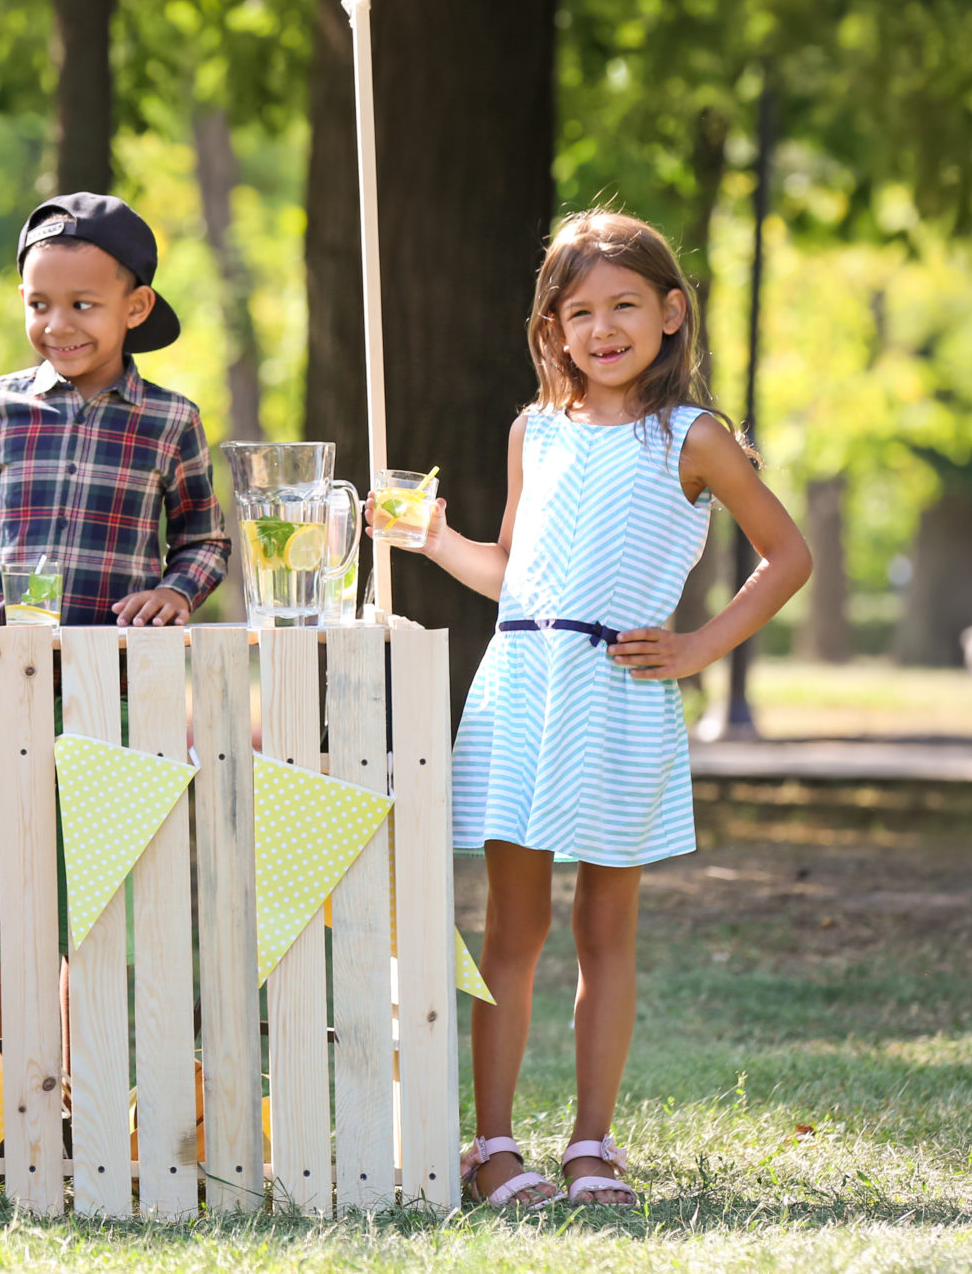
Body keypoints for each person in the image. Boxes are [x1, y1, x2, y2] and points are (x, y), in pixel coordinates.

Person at [381, 209, 809, 1209]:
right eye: (579, 312)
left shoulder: (691, 438)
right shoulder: (535, 430)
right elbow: (517, 577)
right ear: (552, 328)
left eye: (623, 306)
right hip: (521, 687)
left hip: (619, 696)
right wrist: (437, 542)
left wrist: (699, 648)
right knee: (510, 931)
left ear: (670, 312)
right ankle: (490, 1146)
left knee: (605, 929)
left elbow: (787, 555)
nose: (601, 328)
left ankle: (591, 1145)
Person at [0, 192, 229, 629]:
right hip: (6, 669)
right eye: (39, 304)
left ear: (136, 306)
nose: (57, 325)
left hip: (121, 674)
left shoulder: (172, 421)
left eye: (82, 305)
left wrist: (174, 590)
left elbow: (203, 540)